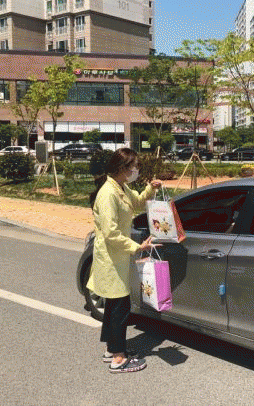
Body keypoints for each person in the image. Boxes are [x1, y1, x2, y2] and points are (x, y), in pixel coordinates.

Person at [87, 147, 162, 373]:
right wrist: (137, 247)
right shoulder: (108, 193)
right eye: (134, 166)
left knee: (113, 305)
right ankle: (119, 359)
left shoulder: (120, 187)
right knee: (120, 307)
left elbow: (137, 203)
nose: (137, 170)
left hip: (117, 256)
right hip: (111, 257)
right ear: (122, 168)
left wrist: (150, 188)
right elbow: (110, 233)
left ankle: (112, 349)